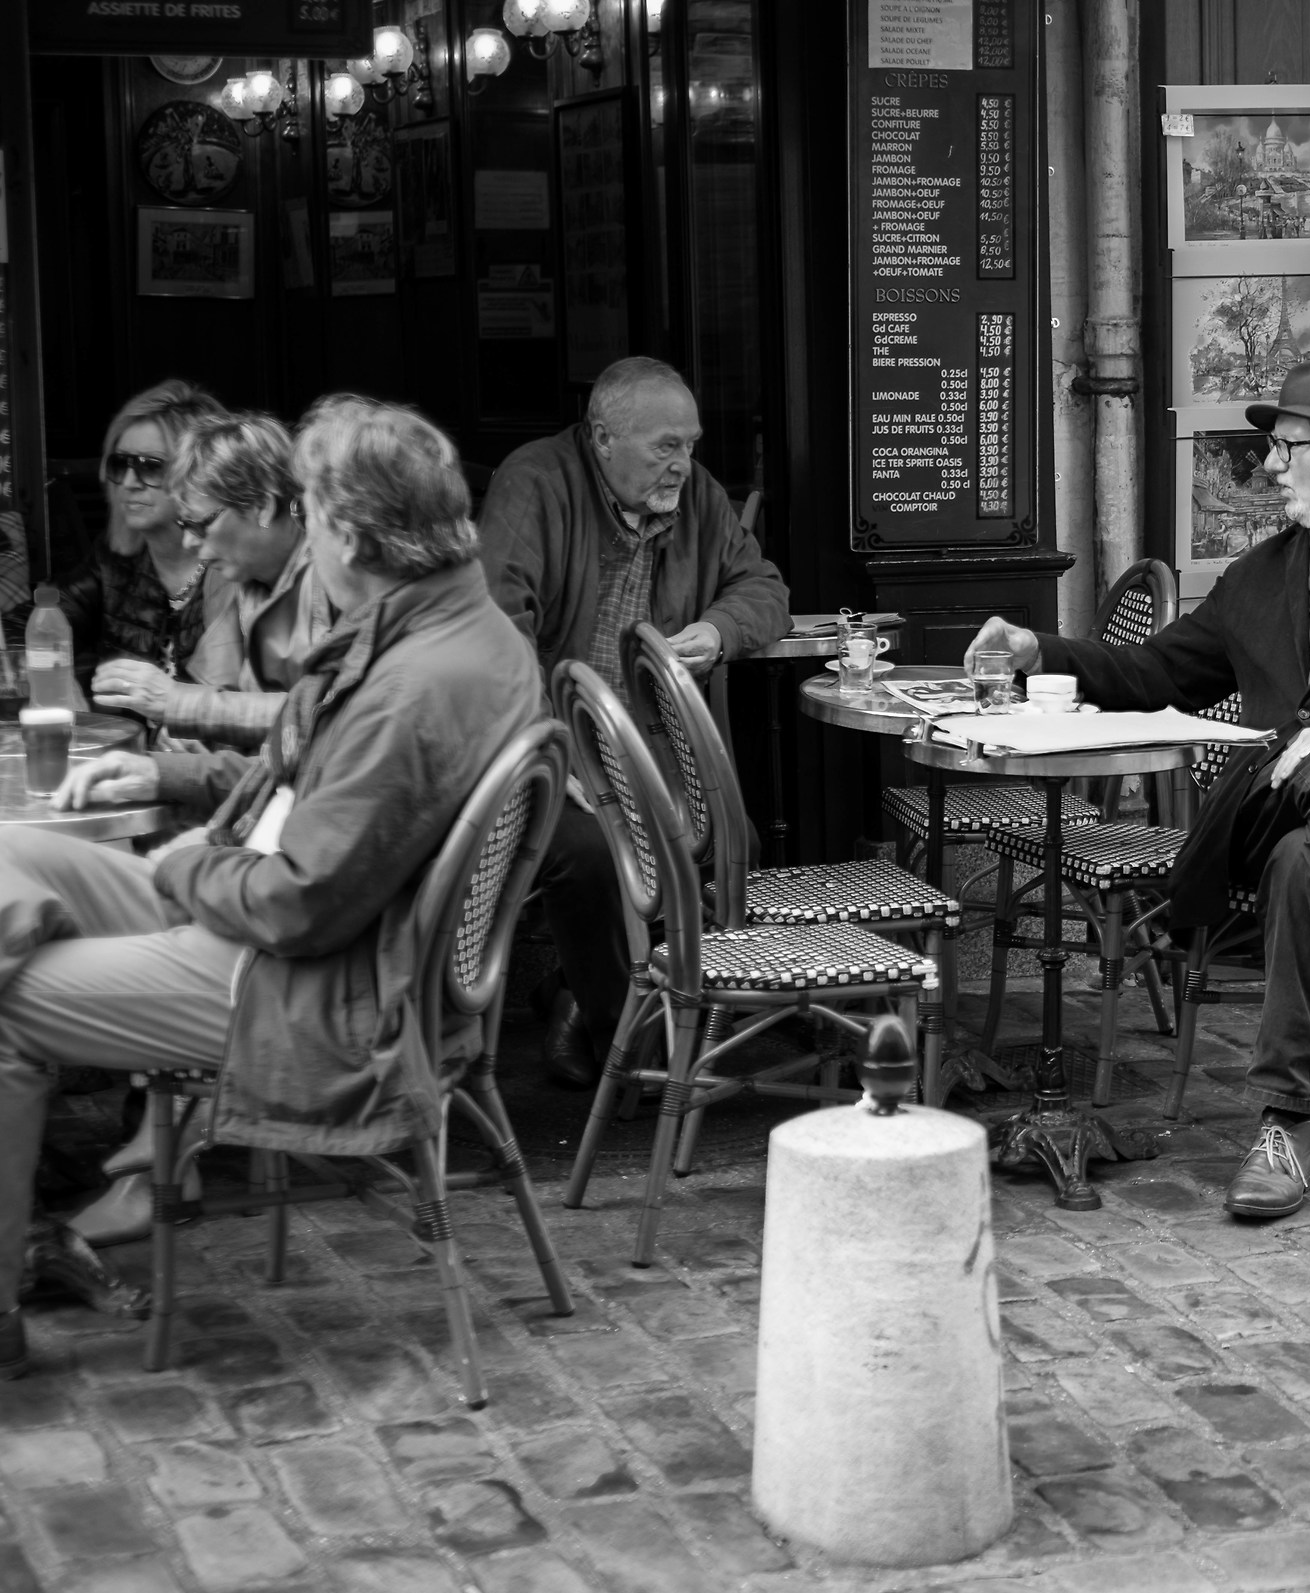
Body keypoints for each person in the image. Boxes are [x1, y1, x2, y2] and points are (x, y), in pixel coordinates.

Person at [0, 396, 541, 1380]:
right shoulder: (447, 626)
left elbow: (298, 902)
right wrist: (172, 778)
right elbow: (316, 787)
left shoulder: (419, 683)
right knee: (12, 854)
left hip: (301, 985)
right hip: (263, 915)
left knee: (7, 1008)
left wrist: (183, 860)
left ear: (346, 531)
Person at [965, 360, 1310, 1221]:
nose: (1268, 466)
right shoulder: (1259, 576)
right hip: (1264, 813)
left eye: (1286, 447)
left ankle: (1286, 1122)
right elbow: (1156, 672)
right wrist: (1043, 649)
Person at [476, 355, 790, 1088]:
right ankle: (634, 1047)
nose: (683, 464)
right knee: (586, 853)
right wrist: (549, 744)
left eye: (691, 444)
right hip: (544, 739)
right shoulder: (536, 482)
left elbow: (764, 585)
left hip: (648, 743)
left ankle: (581, 999)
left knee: (728, 844)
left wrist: (717, 630)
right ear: (603, 437)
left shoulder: (697, 496)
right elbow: (496, 627)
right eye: (665, 446)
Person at [92, 410, 336, 751]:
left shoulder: (336, 575)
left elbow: (330, 716)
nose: (190, 542)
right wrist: (180, 742)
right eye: (184, 526)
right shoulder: (241, 578)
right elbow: (213, 686)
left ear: (261, 507)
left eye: (201, 525)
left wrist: (178, 703)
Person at [28, 381, 230, 686]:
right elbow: (31, 622)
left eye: (151, 467)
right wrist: (60, 682)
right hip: (130, 734)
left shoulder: (236, 568)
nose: (129, 482)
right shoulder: (114, 560)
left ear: (199, 473)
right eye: (120, 464)